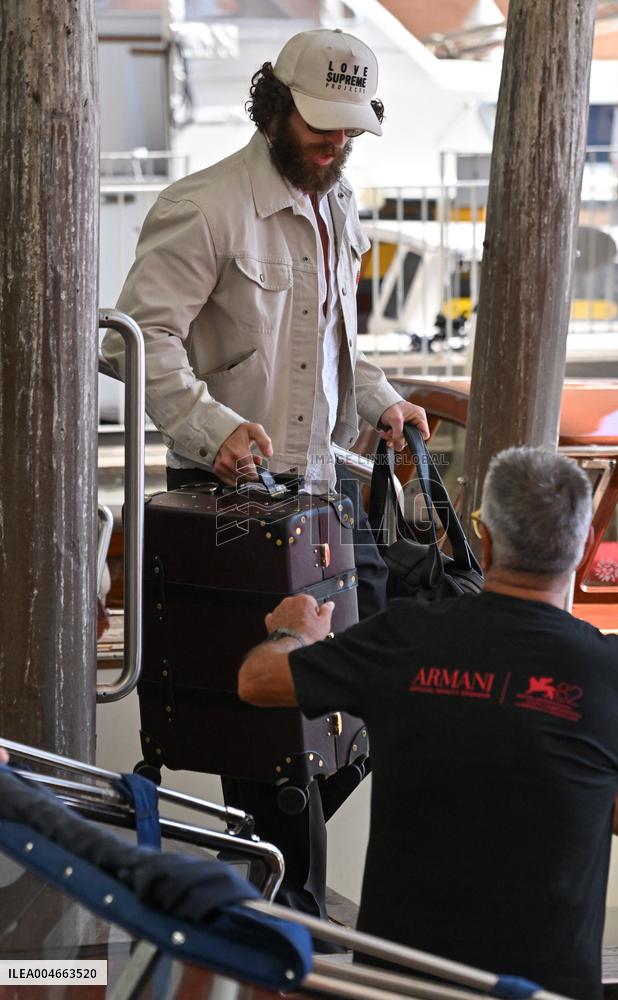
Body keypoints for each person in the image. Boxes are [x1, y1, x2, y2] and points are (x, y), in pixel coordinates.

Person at [102, 27, 427, 923]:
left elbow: (338, 346)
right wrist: (210, 429)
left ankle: (255, 897)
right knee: (275, 739)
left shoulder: (339, 199)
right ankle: (286, 926)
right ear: (274, 106)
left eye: (350, 129)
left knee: (363, 711)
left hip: (326, 492)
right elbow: (132, 340)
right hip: (231, 498)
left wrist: (383, 401)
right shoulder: (204, 204)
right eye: (323, 126)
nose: (337, 143)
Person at [238, 446, 618, 1000]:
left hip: (399, 985)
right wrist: (579, 783)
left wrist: (296, 632)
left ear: (485, 539)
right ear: (585, 546)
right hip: (543, 989)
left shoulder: (406, 636)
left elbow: (256, 680)